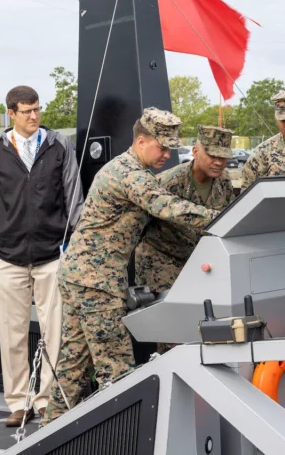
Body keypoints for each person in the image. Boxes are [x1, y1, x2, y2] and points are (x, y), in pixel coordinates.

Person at [43, 108, 221, 424]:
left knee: (73, 362)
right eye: (162, 148)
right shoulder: (130, 175)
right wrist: (221, 218)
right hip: (96, 281)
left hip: (79, 275)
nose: (168, 154)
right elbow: (167, 206)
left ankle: (50, 429)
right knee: (117, 367)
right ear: (141, 141)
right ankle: (125, 436)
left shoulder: (127, 170)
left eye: (172, 148)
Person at [0, 85, 83, 426]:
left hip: (53, 255)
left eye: (37, 109)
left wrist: (72, 249)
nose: (34, 116)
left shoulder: (58, 145)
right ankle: (18, 402)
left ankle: (47, 401)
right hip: (6, 257)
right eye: (27, 111)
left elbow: (73, 199)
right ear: (11, 113)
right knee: (12, 333)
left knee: (56, 331)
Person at [133, 125, 236, 352]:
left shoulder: (224, 182)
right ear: (195, 151)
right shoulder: (168, 183)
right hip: (161, 259)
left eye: (224, 157)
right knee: (174, 332)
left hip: (198, 261)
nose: (218, 162)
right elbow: (139, 226)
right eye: (212, 155)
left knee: (206, 325)